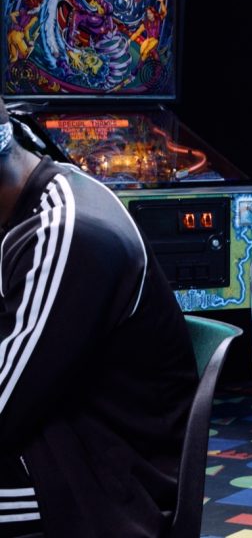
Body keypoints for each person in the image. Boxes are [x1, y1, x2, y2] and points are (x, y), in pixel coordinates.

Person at [0, 99, 198, 537]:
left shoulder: (64, 231)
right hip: (56, 438)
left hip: (105, 482)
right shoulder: (32, 197)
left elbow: (4, 408)